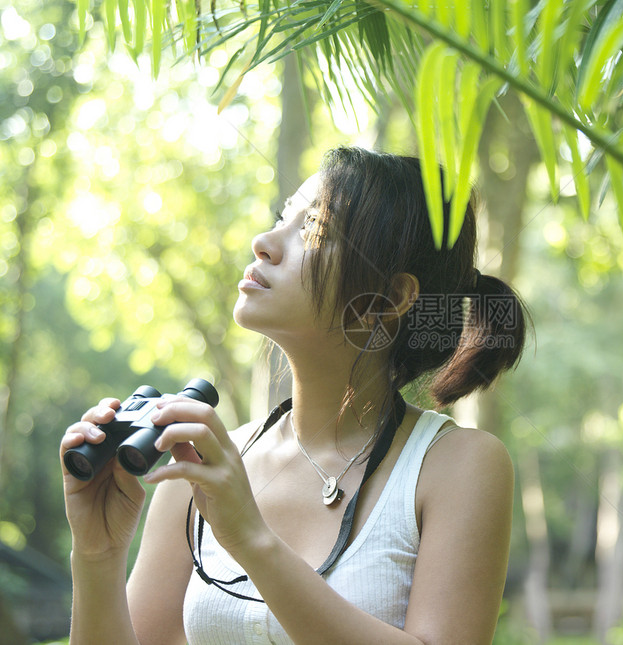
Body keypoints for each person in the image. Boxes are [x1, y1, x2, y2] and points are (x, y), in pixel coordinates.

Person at [60, 147, 529, 645]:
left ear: (390, 299)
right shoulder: (194, 466)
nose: (264, 242)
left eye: (315, 231)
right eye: (283, 218)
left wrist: (250, 538)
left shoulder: (458, 465)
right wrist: (98, 556)